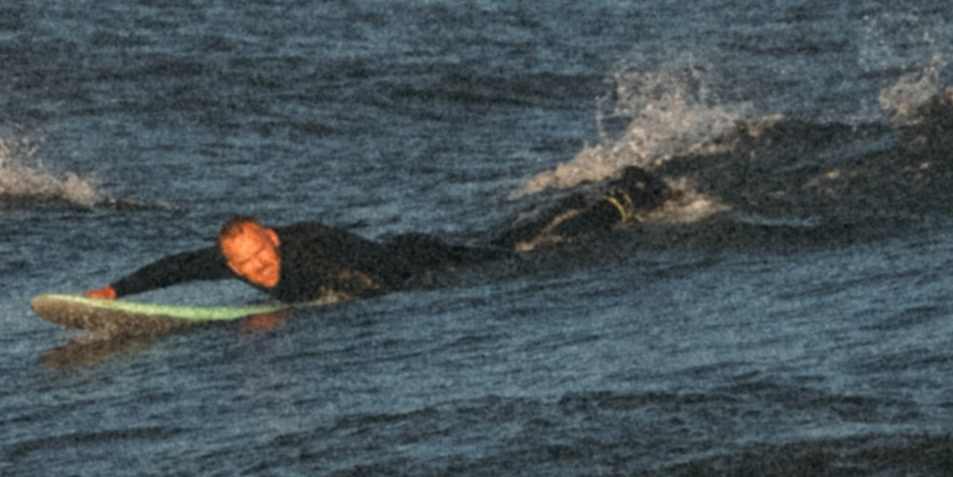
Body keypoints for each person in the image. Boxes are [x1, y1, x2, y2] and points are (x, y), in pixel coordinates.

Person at [87, 167, 673, 306]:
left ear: (272, 237)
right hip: (408, 251)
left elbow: (362, 284)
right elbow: (174, 268)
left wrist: (303, 313)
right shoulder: (237, 259)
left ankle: (625, 200)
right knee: (515, 235)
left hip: (420, 262)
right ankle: (573, 199)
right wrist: (115, 292)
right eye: (242, 267)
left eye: (260, 258)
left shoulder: (309, 246)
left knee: (526, 252)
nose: (255, 273)